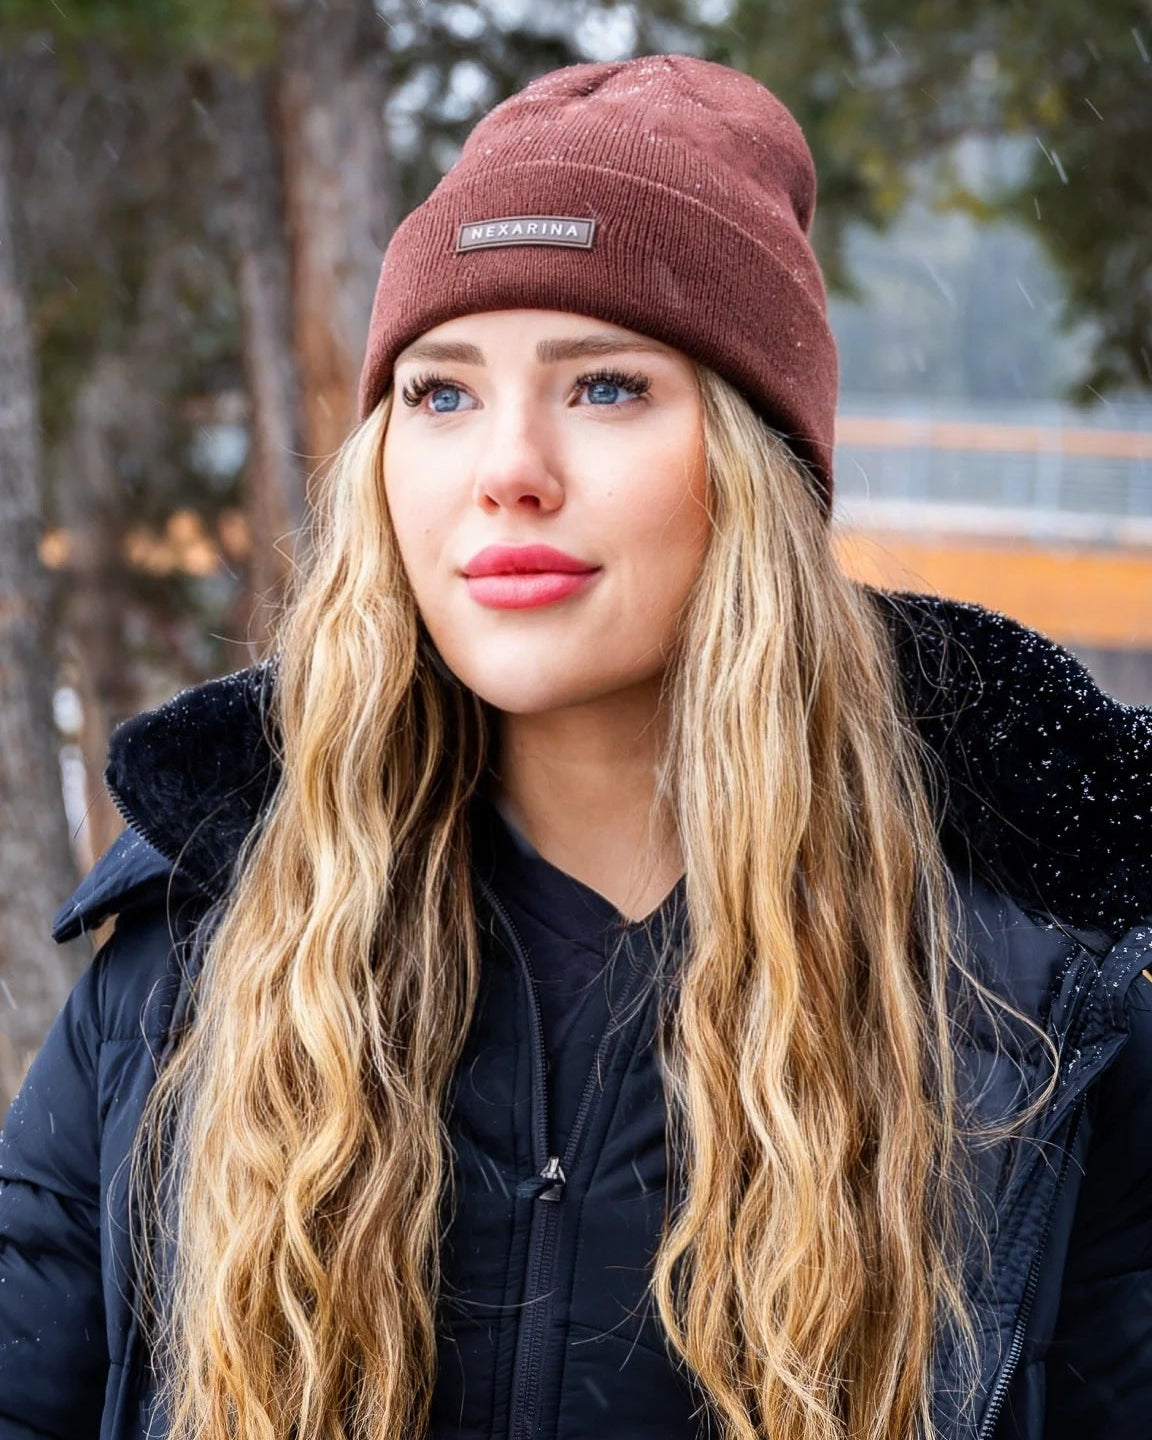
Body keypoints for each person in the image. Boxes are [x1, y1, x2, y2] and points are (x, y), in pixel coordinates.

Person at [1, 52, 1151, 1440]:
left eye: (604, 386)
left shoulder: (1032, 1004)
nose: (508, 465)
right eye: (440, 393)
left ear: (753, 470)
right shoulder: (193, 955)